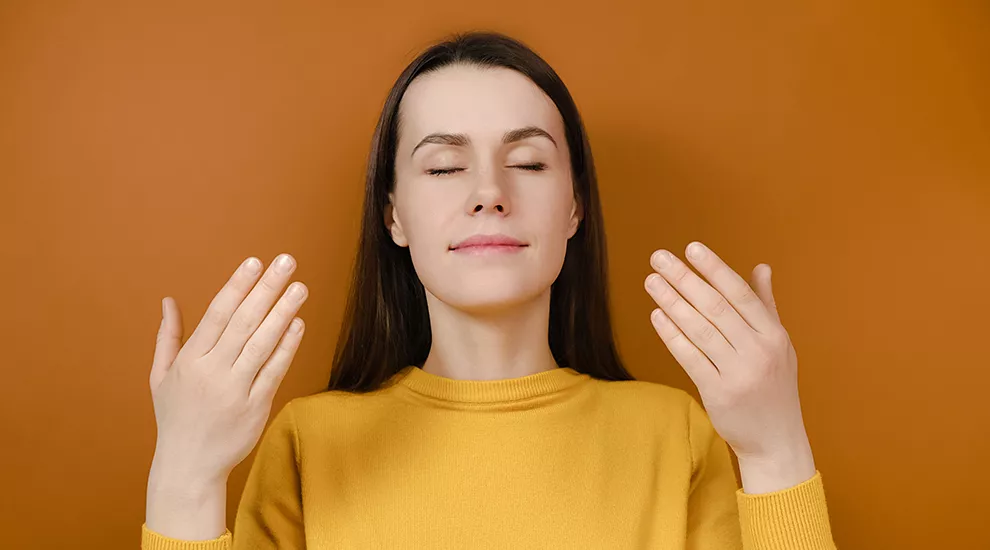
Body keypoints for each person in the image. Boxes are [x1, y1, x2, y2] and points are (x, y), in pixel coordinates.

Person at [142, 31, 836, 549]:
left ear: (575, 208)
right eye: (444, 167)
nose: (488, 194)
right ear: (394, 215)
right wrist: (184, 476)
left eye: (528, 161)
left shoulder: (676, 436)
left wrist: (777, 448)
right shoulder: (306, 445)